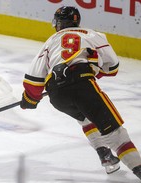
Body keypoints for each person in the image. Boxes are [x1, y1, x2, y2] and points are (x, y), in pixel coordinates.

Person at [19, 6, 141, 179]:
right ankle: (138, 167)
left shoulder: (51, 41)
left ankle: (105, 157)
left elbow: (34, 79)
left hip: (56, 94)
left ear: (58, 24)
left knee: (85, 118)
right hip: (82, 85)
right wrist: (92, 68)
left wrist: (29, 99)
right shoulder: (93, 35)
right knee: (115, 132)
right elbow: (113, 67)